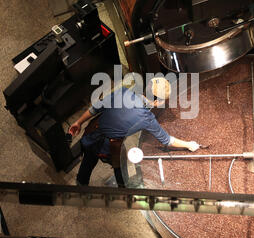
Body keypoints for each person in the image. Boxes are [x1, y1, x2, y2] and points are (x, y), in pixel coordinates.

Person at [68, 77, 200, 187]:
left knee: (89, 159)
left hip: (91, 133)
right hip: (108, 146)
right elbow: (167, 140)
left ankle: (81, 184)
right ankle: (124, 188)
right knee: (120, 164)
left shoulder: (123, 92)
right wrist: (189, 144)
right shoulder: (146, 118)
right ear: (156, 102)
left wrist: (78, 122)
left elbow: (95, 108)